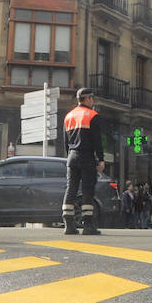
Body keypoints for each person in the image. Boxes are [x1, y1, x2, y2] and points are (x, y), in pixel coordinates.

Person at [61, 87, 105, 236]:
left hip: (72, 157)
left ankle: (68, 225)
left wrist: (69, 156)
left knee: (71, 189)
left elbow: (65, 142)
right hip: (86, 157)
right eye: (92, 98)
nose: (93, 101)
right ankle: (88, 225)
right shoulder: (93, 116)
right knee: (88, 189)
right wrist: (100, 159)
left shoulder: (69, 116)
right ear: (87, 99)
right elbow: (97, 141)